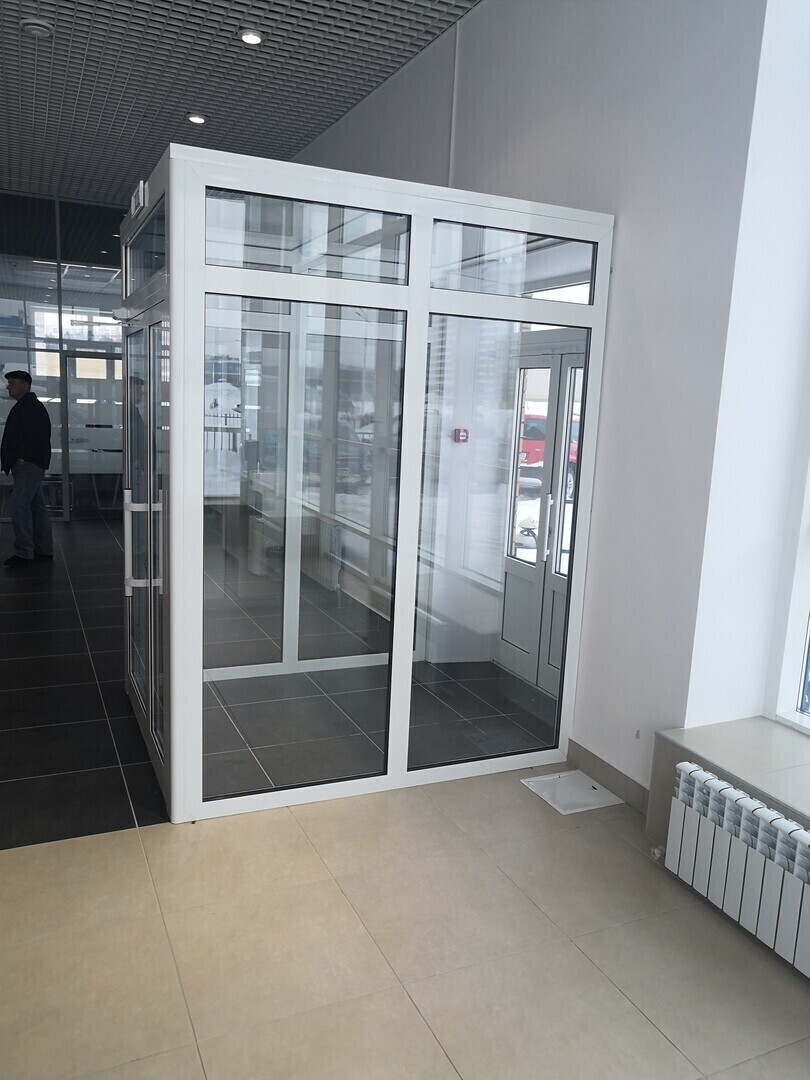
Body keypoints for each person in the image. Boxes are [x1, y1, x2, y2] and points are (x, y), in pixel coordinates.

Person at [1, 370, 54, 567]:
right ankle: (44, 548)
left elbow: (36, 436)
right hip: (29, 464)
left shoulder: (29, 406)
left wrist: (23, 457)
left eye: (13, 383)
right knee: (36, 507)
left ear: (25, 385)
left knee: (18, 505)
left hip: (28, 465)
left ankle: (24, 552)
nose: (9, 386)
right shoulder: (27, 405)